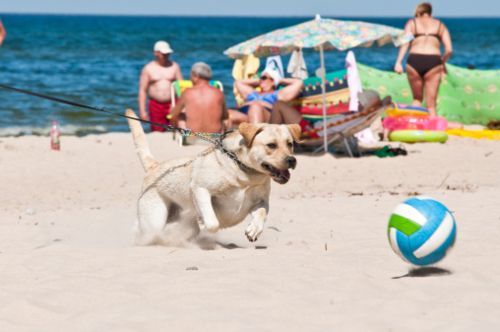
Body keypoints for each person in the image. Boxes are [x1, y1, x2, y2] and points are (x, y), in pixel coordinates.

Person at [394, 2, 452, 116]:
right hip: (433, 61)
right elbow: (449, 50)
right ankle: (435, 131)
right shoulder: (440, 25)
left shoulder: (412, 23)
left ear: (419, 12)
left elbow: (405, 44)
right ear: (430, 13)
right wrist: (442, 62)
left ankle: (411, 129)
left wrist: (398, 62)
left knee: (417, 99)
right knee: (431, 105)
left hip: (414, 60)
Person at [170, 62, 228, 134]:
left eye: (190, 75)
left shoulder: (187, 92)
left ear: (196, 76)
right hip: (214, 137)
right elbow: (225, 116)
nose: (190, 78)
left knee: (180, 115)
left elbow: (173, 114)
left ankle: (182, 136)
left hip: (193, 137)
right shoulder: (218, 93)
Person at [138, 40, 183, 132]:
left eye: (168, 53)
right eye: (164, 53)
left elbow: (181, 87)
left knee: (178, 129)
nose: (166, 56)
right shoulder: (148, 68)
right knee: (157, 130)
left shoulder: (174, 66)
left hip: (173, 103)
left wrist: (179, 105)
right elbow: (142, 91)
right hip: (155, 105)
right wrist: (143, 111)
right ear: (156, 53)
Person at [233, 66, 303, 123]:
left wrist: (279, 80)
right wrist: (258, 81)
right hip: (246, 113)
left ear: (273, 81)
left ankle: (255, 137)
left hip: (265, 114)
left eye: (264, 78)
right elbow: (238, 82)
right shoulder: (252, 93)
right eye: (261, 78)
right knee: (229, 114)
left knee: (255, 107)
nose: (261, 80)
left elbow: (298, 82)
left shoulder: (278, 94)